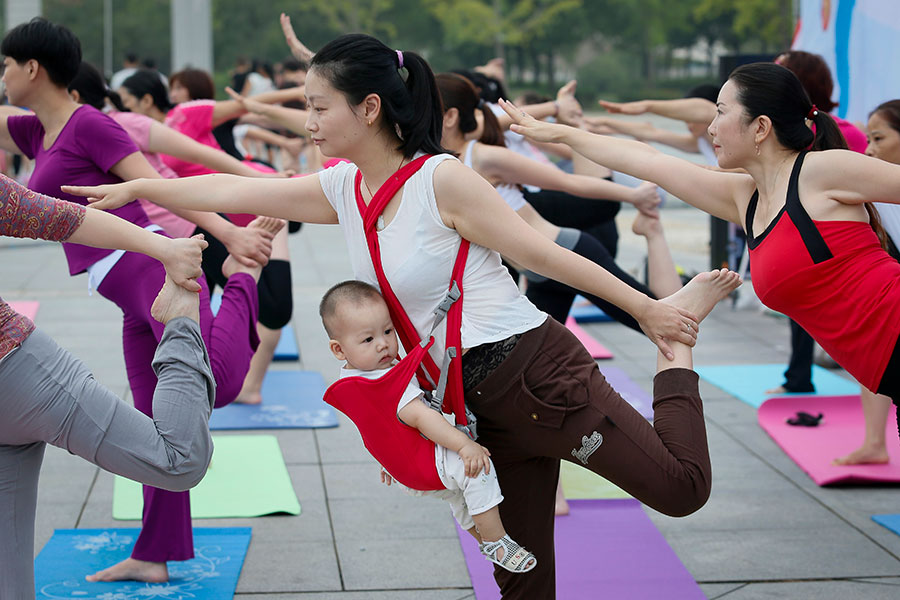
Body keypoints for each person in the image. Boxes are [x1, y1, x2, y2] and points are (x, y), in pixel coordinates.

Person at [66, 32, 744, 599]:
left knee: (681, 490)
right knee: (521, 581)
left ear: (367, 108)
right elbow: (239, 187)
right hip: (471, 405)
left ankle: (673, 360)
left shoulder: (439, 179)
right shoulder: (343, 185)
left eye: (316, 106)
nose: (306, 123)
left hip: (538, 374)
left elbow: (545, 257)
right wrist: (140, 185)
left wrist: (650, 312)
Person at [499, 61, 900, 445]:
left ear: (760, 127)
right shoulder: (743, 197)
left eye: (721, 112)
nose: (710, 127)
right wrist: (561, 134)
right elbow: (648, 161)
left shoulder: (822, 171)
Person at [0, 18, 270, 583]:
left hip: (143, 267)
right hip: (121, 290)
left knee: (210, 377)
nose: (1, 77)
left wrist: (231, 239)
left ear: (32, 68)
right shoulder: (35, 133)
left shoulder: (89, 124)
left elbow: (156, 183)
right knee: (154, 424)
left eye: (6, 65)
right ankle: (154, 553)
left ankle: (244, 281)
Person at [0, 172, 216, 599]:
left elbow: (54, 215)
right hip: (16, 372)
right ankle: (182, 321)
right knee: (179, 459)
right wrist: (166, 248)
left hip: (15, 373)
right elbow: (53, 217)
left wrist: (164, 246)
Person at [320, 280, 537, 573]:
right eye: (368, 340)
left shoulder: (352, 380)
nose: (383, 344)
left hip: (404, 469)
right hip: (426, 463)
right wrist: (465, 445)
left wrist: (388, 459)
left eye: (387, 331)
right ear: (338, 349)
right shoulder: (389, 386)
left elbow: (378, 425)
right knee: (476, 471)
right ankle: (497, 540)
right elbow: (422, 417)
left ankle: (483, 543)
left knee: (459, 496)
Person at [119, 68, 296, 405]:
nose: (124, 113)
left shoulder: (184, 114)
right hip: (218, 218)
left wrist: (297, 89)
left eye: (127, 104)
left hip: (255, 203)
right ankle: (242, 388)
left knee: (274, 307)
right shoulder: (142, 138)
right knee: (203, 315)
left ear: (146, 101)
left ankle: (247, 384)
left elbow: (245, 111)